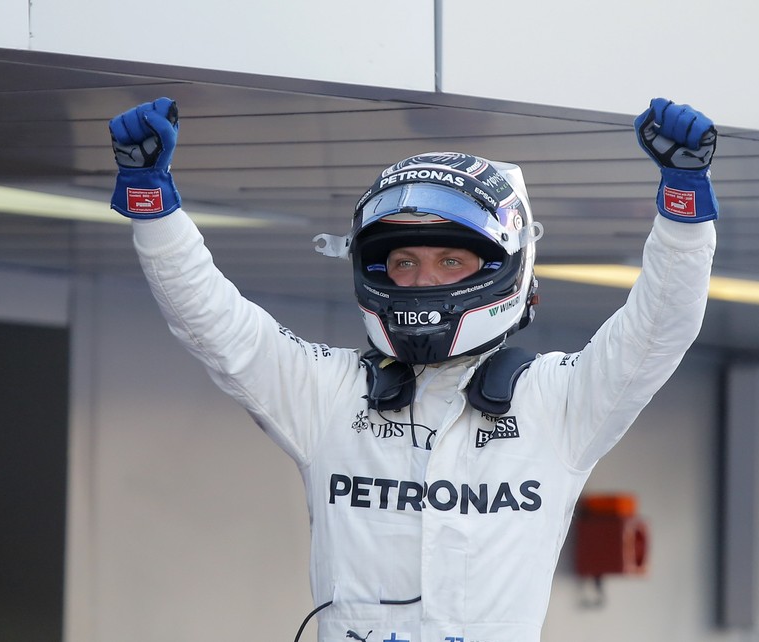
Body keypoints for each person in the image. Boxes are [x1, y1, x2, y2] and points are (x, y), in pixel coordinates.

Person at [108, 96, 717, 642]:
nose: (422, 280)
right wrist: (153, 209)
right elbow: (218, 330)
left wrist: (684, 210)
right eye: (403, 261)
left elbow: (658, 330)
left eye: (450, 260)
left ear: (502, 268)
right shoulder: (331, 394)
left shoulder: (557, 402)